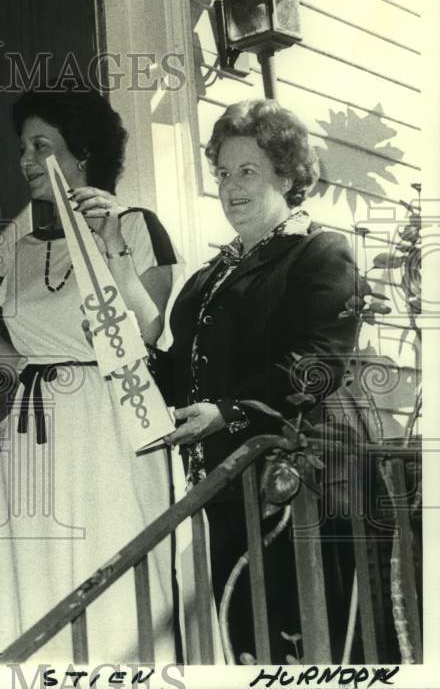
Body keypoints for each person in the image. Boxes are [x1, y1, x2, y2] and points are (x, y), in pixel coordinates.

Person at [0, 87, 182, 662]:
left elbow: (145, 337)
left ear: (81, 154)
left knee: (114, 561)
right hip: (34, 426)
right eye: (22, 149)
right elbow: (27, 364)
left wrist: (111, 246)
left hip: (109, 416)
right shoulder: (19, 252)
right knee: (40, 569)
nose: (25, 162)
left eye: (39, 147)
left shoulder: (136, 226)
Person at [151, 99, 362, 663]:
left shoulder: (319, 251)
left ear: (288, 175)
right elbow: (176, 374)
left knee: (298, 642)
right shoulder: (207, 278)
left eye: (247, 171)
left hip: (298, 479)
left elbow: (320, 362)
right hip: (224, 485)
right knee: (241, 638)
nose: (229, 186)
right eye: (221, 173)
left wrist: (230, 411)